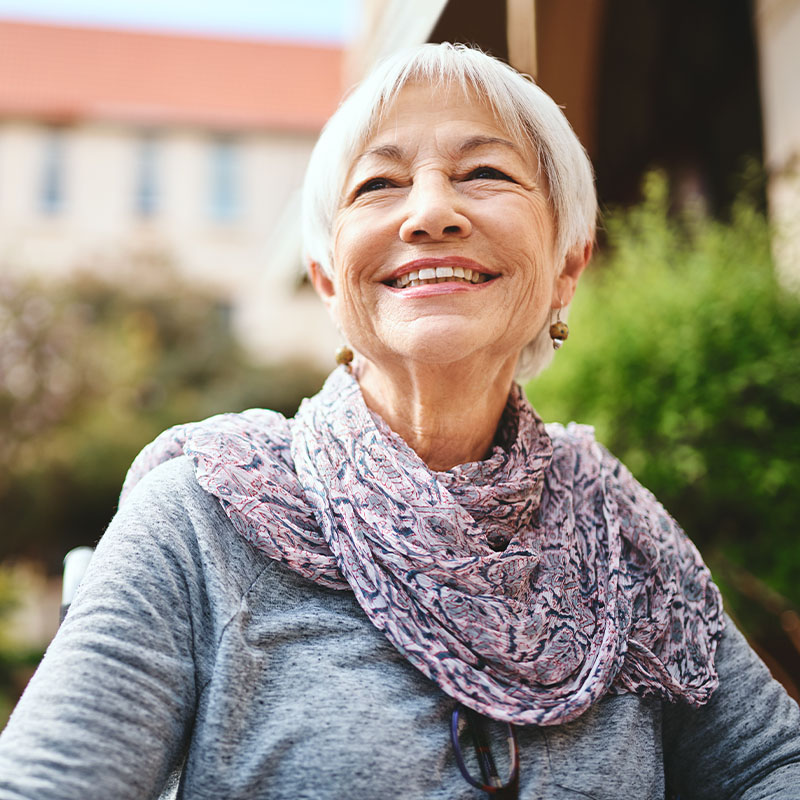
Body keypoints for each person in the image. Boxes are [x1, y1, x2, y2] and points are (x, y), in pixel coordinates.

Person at [0, 43, 798, 800]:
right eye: (378, 185)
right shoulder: (202, 518)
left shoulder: (623, 537)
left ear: (568, 263)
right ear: (327, 280)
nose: (430, 212)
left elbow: (772, 765)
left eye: (484, 171)